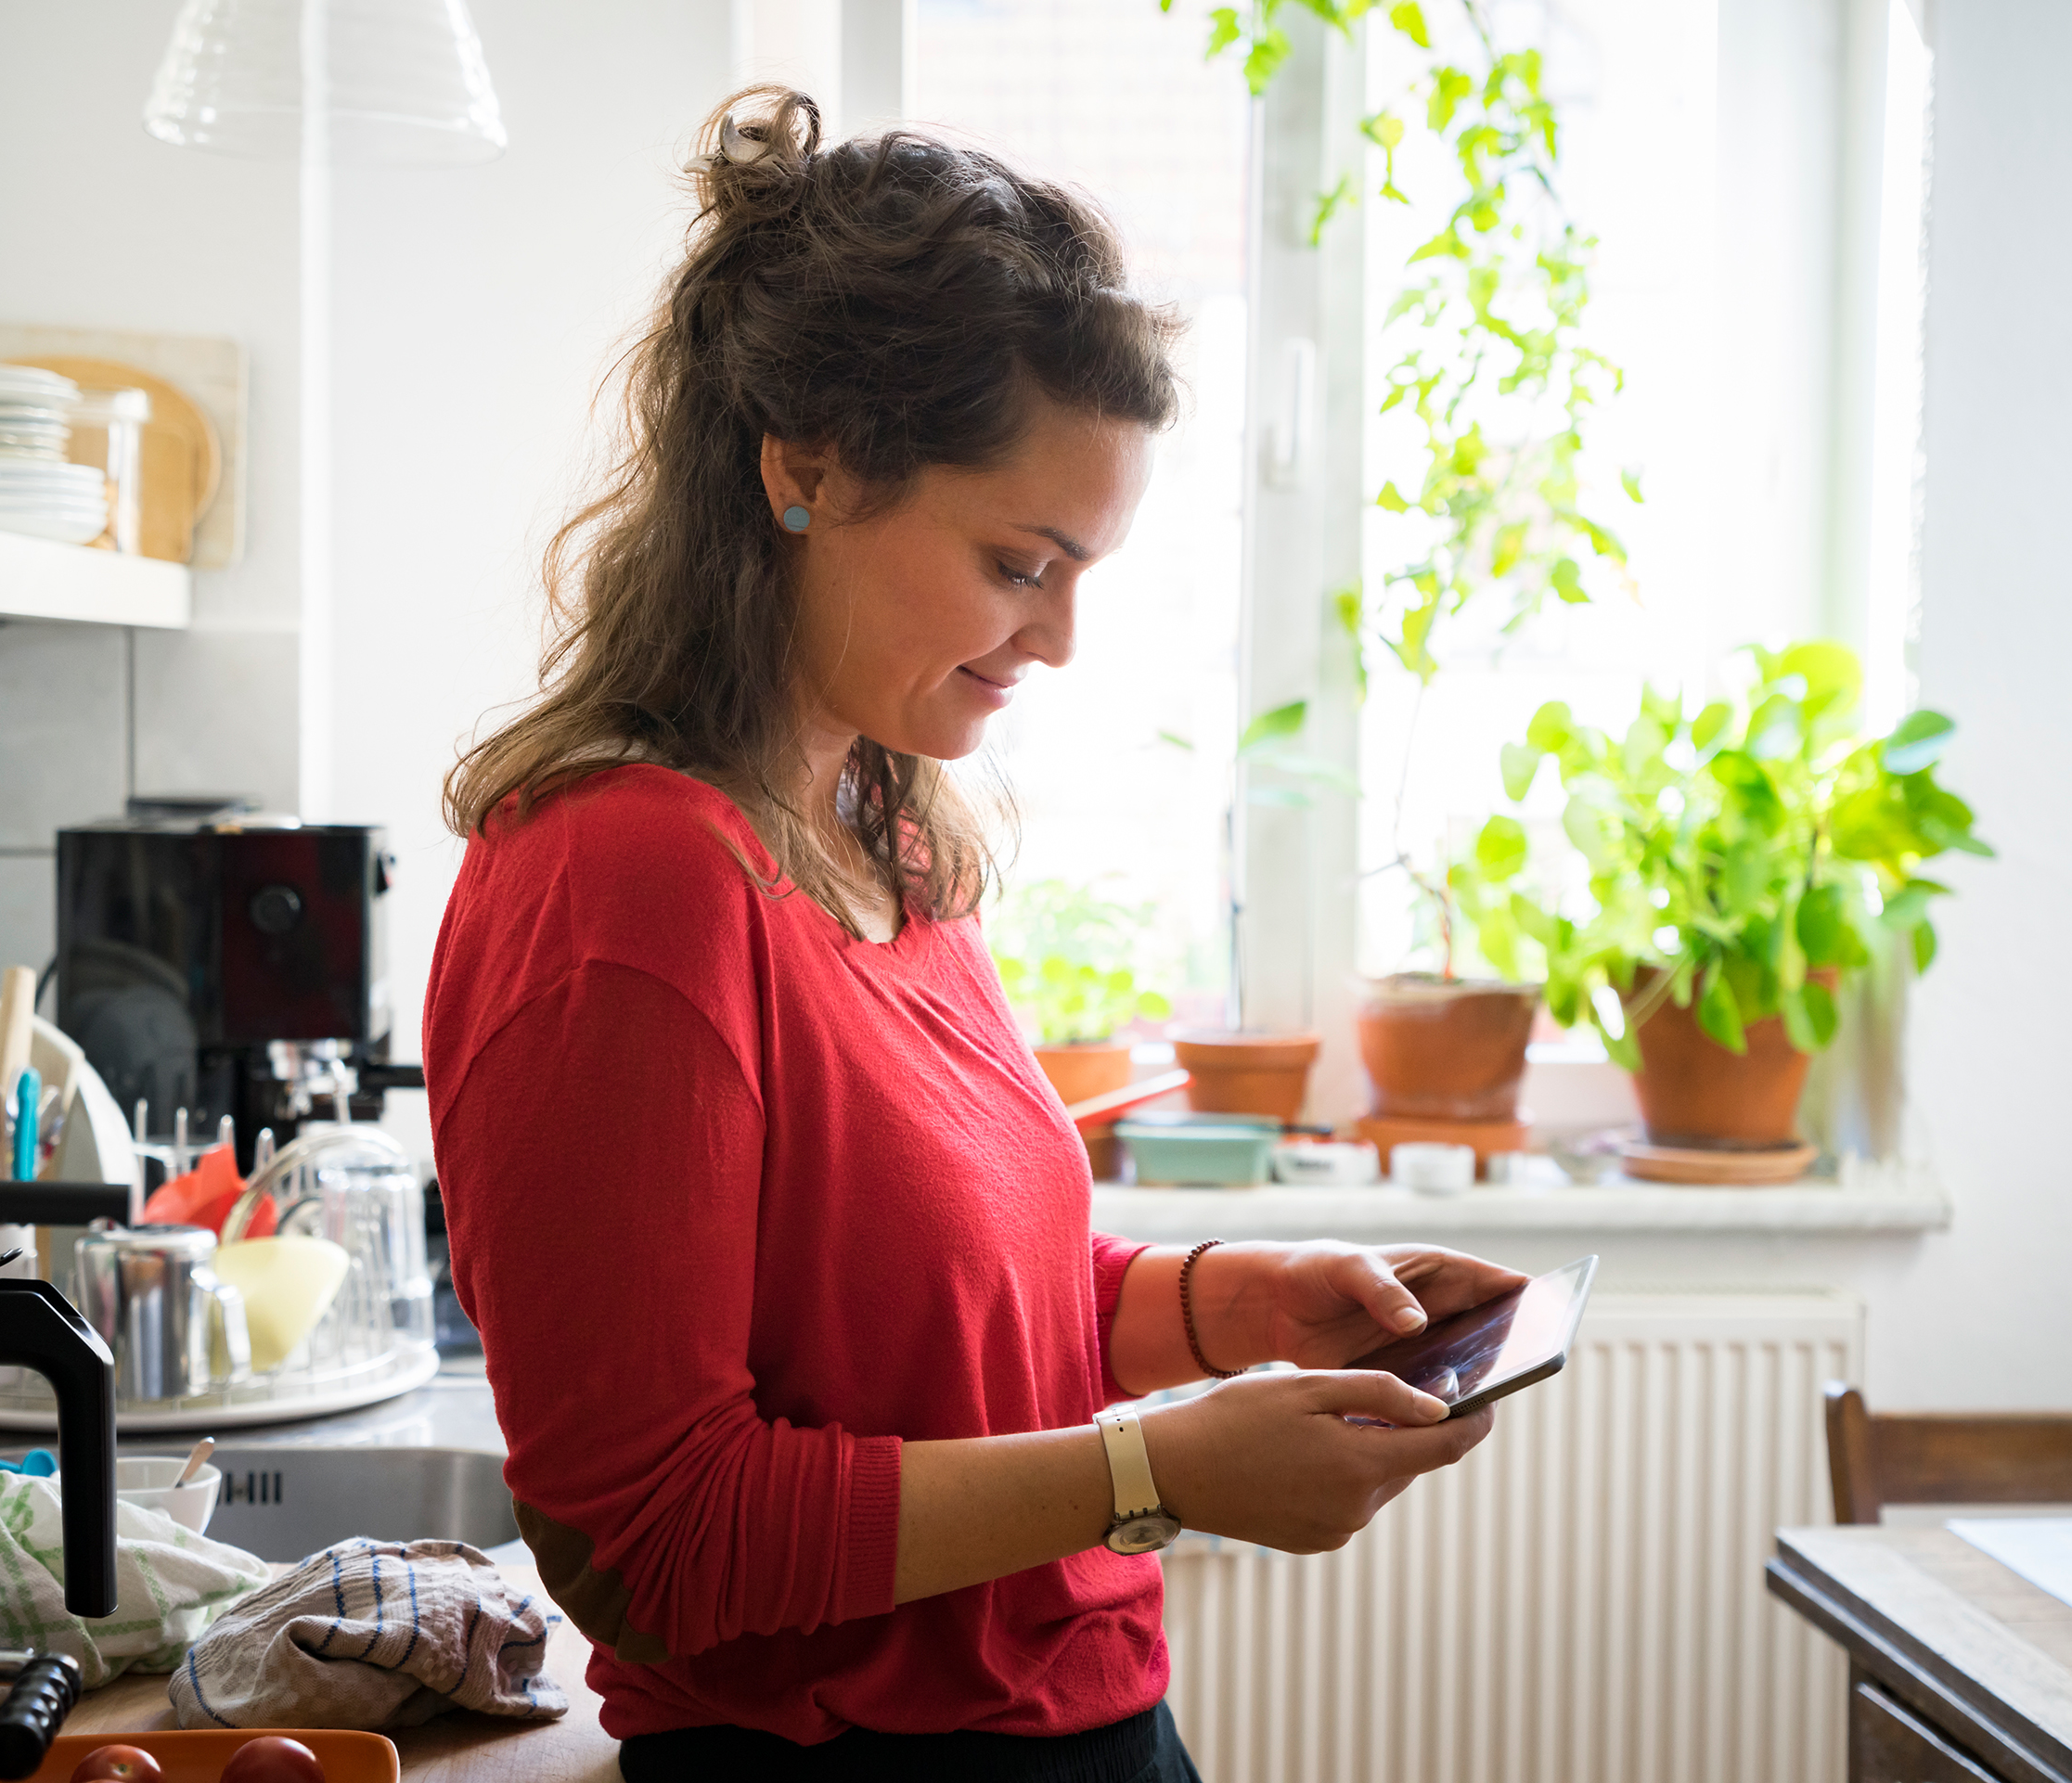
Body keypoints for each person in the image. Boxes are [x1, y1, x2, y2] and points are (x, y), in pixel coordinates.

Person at [425, 87, 1525, 1783]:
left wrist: (1243, 1305)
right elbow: (655, 1541)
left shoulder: (879, 827)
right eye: (1022, 561)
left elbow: (950, 1323)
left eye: (1087, 570)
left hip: (1084, 1722)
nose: (1061, 637)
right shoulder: (621, 884)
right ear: (805, 467)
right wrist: (1160, 1473)